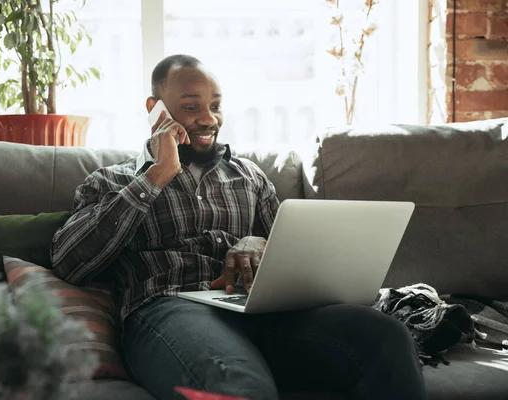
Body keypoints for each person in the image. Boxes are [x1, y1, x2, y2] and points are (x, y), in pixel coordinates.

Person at [50, 54, 427, 400]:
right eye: (192, 107)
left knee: (386, 336)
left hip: (262, 311)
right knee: (236, 383)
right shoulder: (112, 181)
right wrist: (156, 177)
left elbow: (291, 252)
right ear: (155, 109)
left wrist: (257, 240)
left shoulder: (249, 176)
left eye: (215, 106)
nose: (209, 119)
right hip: (172, 309)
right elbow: (70, 263)